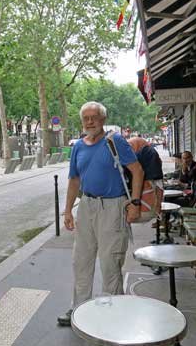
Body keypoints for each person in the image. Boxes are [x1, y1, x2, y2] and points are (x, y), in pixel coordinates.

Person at [57, 101, 144, 326]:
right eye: (85, 118)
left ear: (103, 120)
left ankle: (112, 312)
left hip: (113, 207)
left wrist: (134, 203)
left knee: (109, 262)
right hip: (87, 206)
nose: (89, 122)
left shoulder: (114, 141)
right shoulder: (78, 146)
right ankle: (79, 309)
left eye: (94, 117)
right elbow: (74, 180)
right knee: (81, 260)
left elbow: (137, 171)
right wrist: (67, 211)